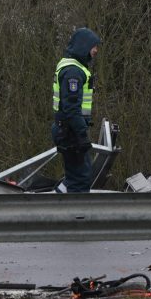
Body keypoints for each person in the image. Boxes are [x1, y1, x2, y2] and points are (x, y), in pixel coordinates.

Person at [52, 27, 101, 193]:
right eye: (94, 46)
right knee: (80, 179)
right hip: (70, 131)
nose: (95, 51)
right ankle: (74, 215)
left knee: (75, 176)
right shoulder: (73, 71)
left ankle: (57, 203)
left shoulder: (74, 67)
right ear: (84, 46)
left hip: (68, 129)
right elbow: (71, 108)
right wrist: (82, 135)